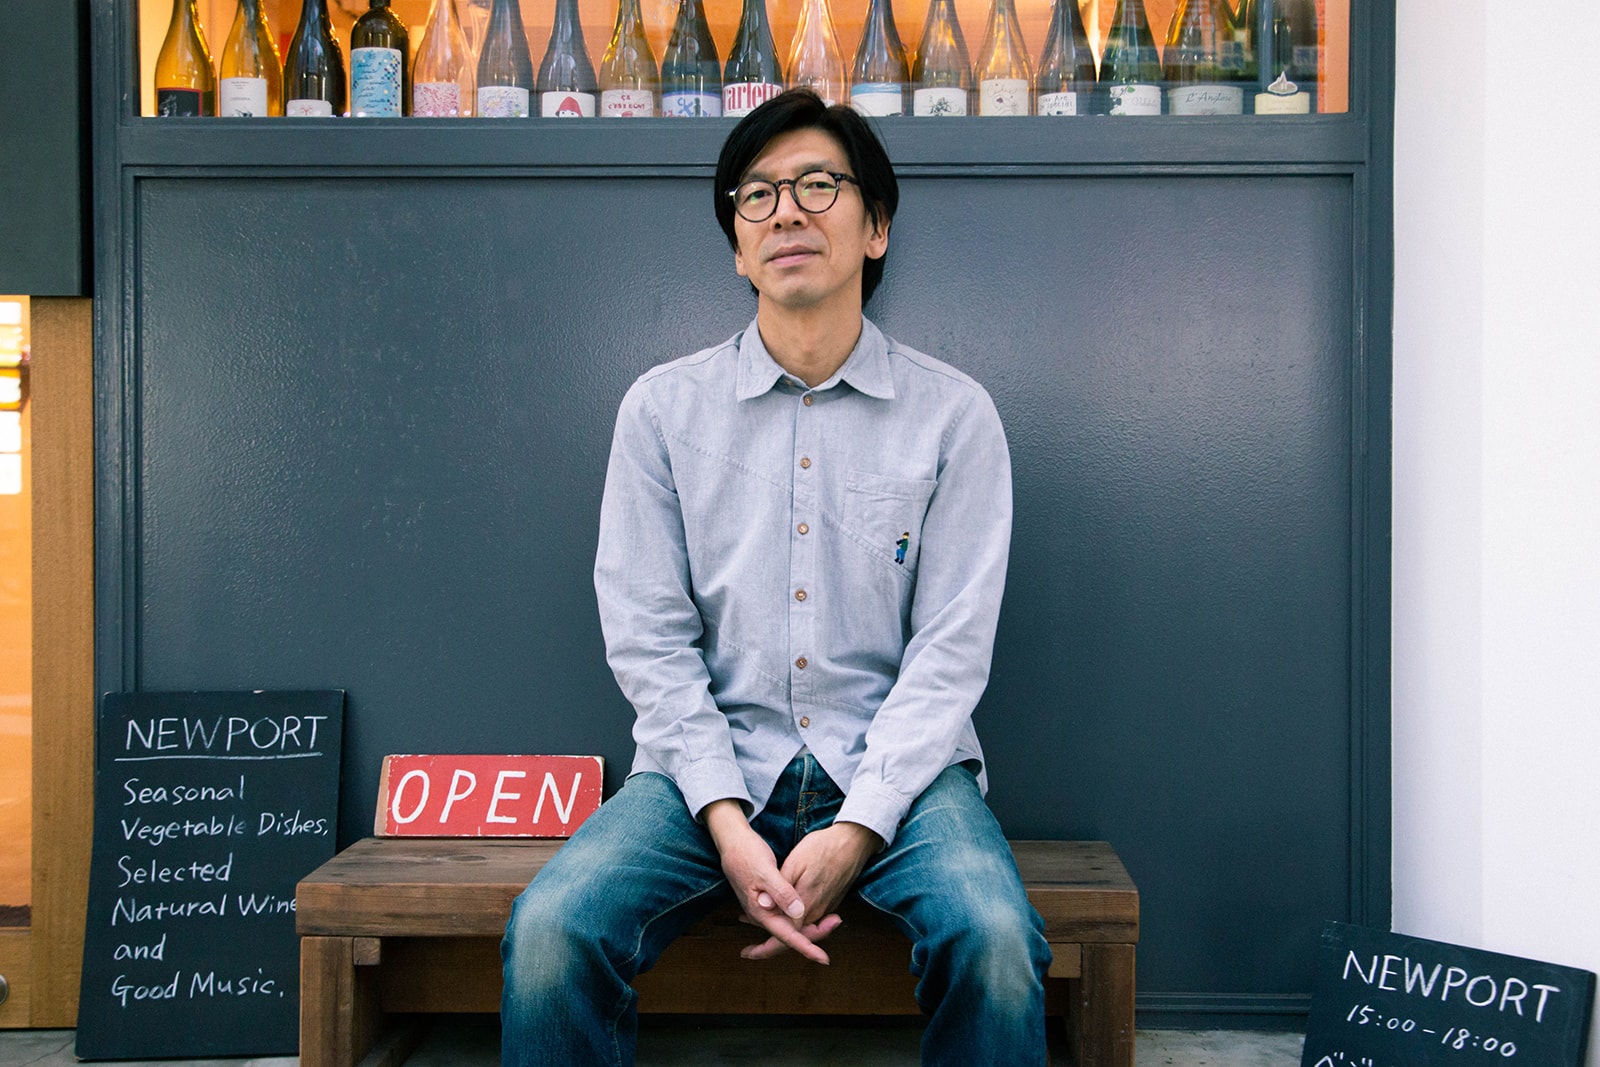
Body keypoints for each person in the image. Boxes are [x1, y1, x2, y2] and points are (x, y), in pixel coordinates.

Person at [500, 88, 1050, 1067]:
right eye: (757, 195)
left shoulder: (954, 416)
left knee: (997, 942)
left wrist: (859, 826)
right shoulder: (661, 412)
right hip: (706, 766)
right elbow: (648, 639)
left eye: (817, 185)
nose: (786, 211)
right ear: (738, 248)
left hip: (898, 768)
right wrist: (725, 820)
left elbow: (951, 652)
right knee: (551, 931)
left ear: (876, 227)